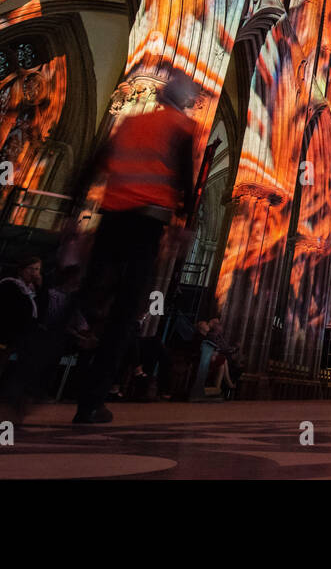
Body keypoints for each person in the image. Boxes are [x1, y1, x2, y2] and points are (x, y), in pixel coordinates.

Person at [71, 70, 199, 424]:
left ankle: (24, 384)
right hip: (146, 225)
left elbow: (93, 163)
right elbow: (185, 181)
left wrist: (71, 210)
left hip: (112, 218)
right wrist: (184, 224)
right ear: (186, 101)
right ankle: (91, 402)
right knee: (125, 314)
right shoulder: (183, 128)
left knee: (84, 298)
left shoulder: (131, 123)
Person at [0, 257, 44, 350]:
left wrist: (40, 289)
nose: (33, 272)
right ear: (21, 270)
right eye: (30, 268)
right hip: (4, 328)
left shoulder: (32, 290)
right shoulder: (10, 284)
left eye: (36, 269)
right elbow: (14, 310)